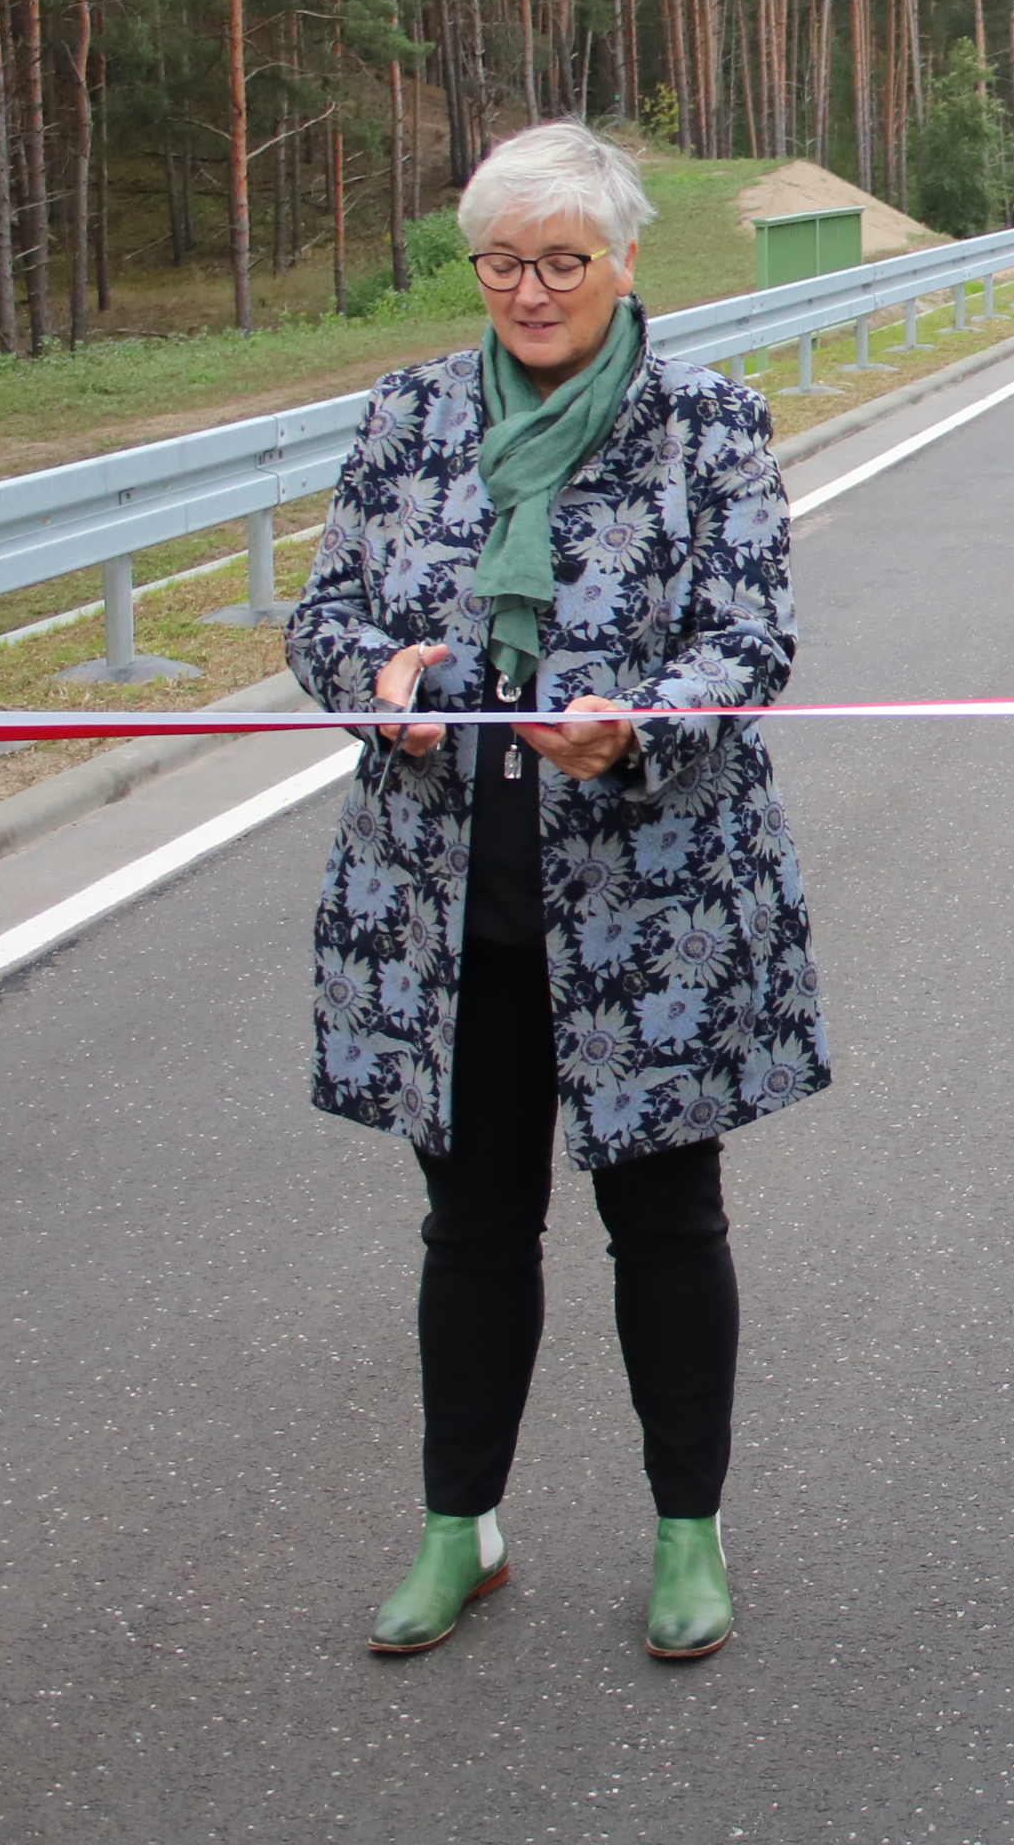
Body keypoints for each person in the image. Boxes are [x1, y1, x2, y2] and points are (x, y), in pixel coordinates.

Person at [287, 119, 821, 1665]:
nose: (530, 293)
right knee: (472, 1228)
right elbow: (324, 614)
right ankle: (462, 1526)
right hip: (447, 902)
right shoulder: (407, 418)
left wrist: (636, 726)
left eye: (563, 262)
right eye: (504, 264)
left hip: (652, 901)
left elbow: (750, 638)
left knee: (666, 1225)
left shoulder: (707, 423)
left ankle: (686, 1533)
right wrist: (371, 677)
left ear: (626, 262)